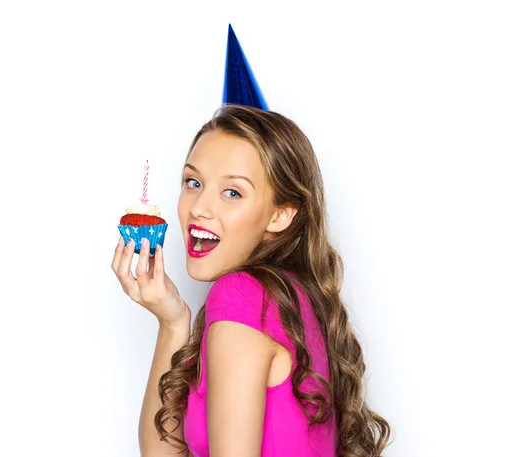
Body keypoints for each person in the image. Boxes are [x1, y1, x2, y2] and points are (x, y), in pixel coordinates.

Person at [112, 104, 392, 457]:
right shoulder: (290, 297)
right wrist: (173, 323)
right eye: (193, 182)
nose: (199, 206)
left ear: (280, 214)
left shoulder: (242, 295)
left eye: (233, 192)